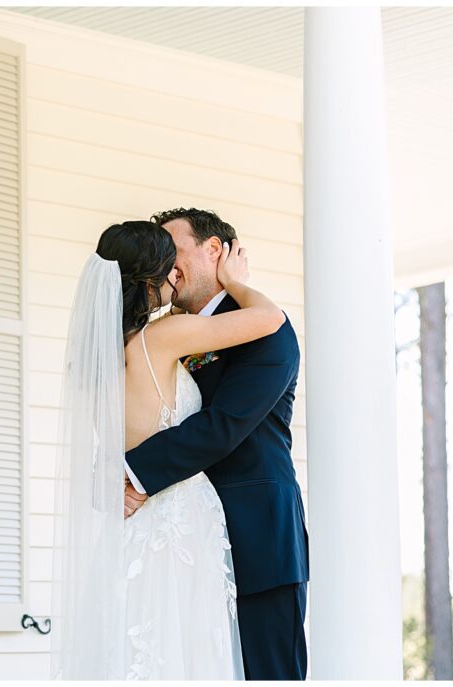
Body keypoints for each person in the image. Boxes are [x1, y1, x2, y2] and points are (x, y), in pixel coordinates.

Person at [50, 219, 286, 680]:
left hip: (129, 530)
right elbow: (270, 319)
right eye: (168, 271)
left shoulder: (95, 357)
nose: (176, 277)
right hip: (181, 525)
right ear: (147, 283)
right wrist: (236, 282)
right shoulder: (162, 340)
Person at [123, 208, 309, 681]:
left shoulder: (267, 332)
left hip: (257, 539)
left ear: (214, 251)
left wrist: (134, 474)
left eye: (174, 249)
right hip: (185, 542)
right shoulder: (163, 335)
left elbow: (224, 424)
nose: (168, 263)